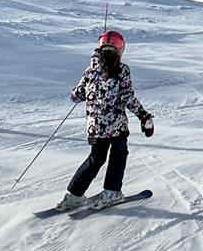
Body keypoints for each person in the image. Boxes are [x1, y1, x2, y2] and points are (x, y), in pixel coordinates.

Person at [56, 30, 154, 211]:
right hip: (116, 126)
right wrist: (143, 115)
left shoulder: (91, 68)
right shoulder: (122, 70)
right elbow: (128, 98)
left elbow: (76, 95)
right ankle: (111, 192)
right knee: (118, 155)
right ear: (120, 49)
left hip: (95, 128)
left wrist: (82, 92)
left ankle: (74, 196)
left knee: (96, 158)